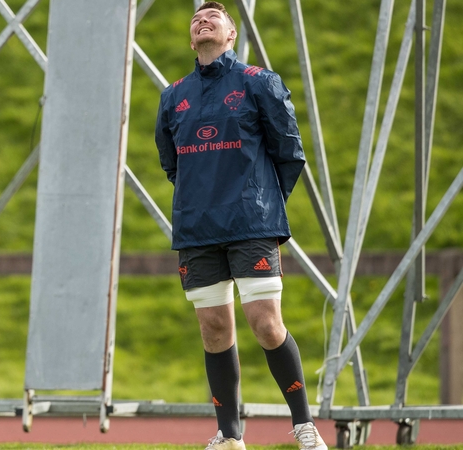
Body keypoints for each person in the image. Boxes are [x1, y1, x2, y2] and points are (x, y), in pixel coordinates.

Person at [154, 3, 327, 450]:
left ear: (231, 34)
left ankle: (305, 426)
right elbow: (171, 164)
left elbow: (289, 153)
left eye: (214, 16)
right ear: (192, 40)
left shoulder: (258, 82)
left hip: (252, 224)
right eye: (196, 19)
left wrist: (259, 201)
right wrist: (203, 198)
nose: (203, 20)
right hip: (198, 229)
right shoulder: (173, 96)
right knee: (214, 329)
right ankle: (229, 436)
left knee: (266, 324)